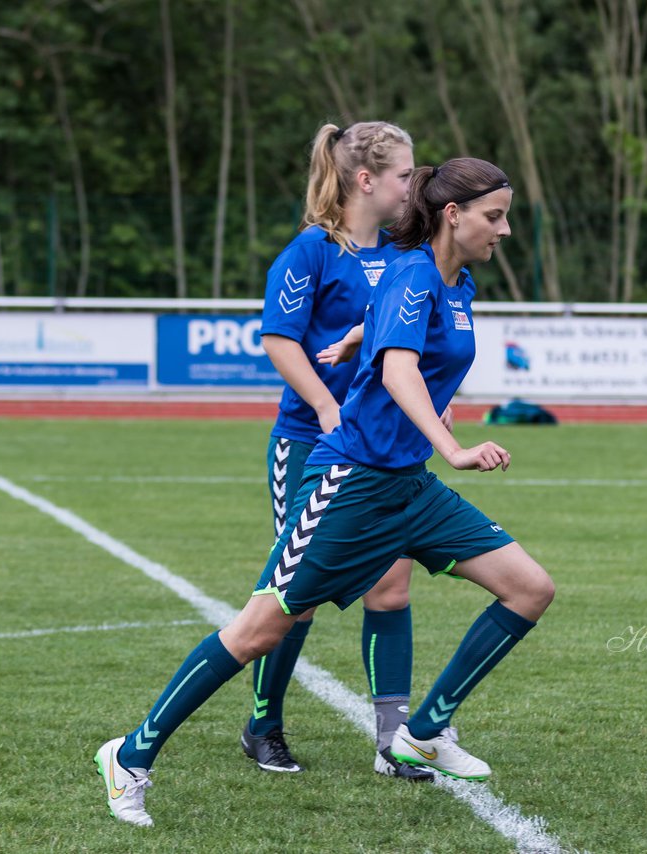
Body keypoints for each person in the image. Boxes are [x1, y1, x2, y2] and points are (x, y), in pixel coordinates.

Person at [94, 157, 555, 827]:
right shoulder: (415, 272)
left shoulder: (457, 285)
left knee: (530, 588)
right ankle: (130, 756)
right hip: (350, 485)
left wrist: (353, 339)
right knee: (259, 630)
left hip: (409, 491)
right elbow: (401, 370)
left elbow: (396, 333)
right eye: (494, 216)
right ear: (453, 215)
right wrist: (453, 446)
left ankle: (423, 732)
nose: (505, 229)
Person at [246, 120, 431, 780]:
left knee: (393, 583)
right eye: (407, 174)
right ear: (365, 180)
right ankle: (262, 724)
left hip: (381, 455)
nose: (415, 185)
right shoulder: (311, 252)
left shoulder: (410, 256)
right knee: (293, 594)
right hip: (309, 445)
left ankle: (394, 741)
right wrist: (326, 407)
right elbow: (279, 339)